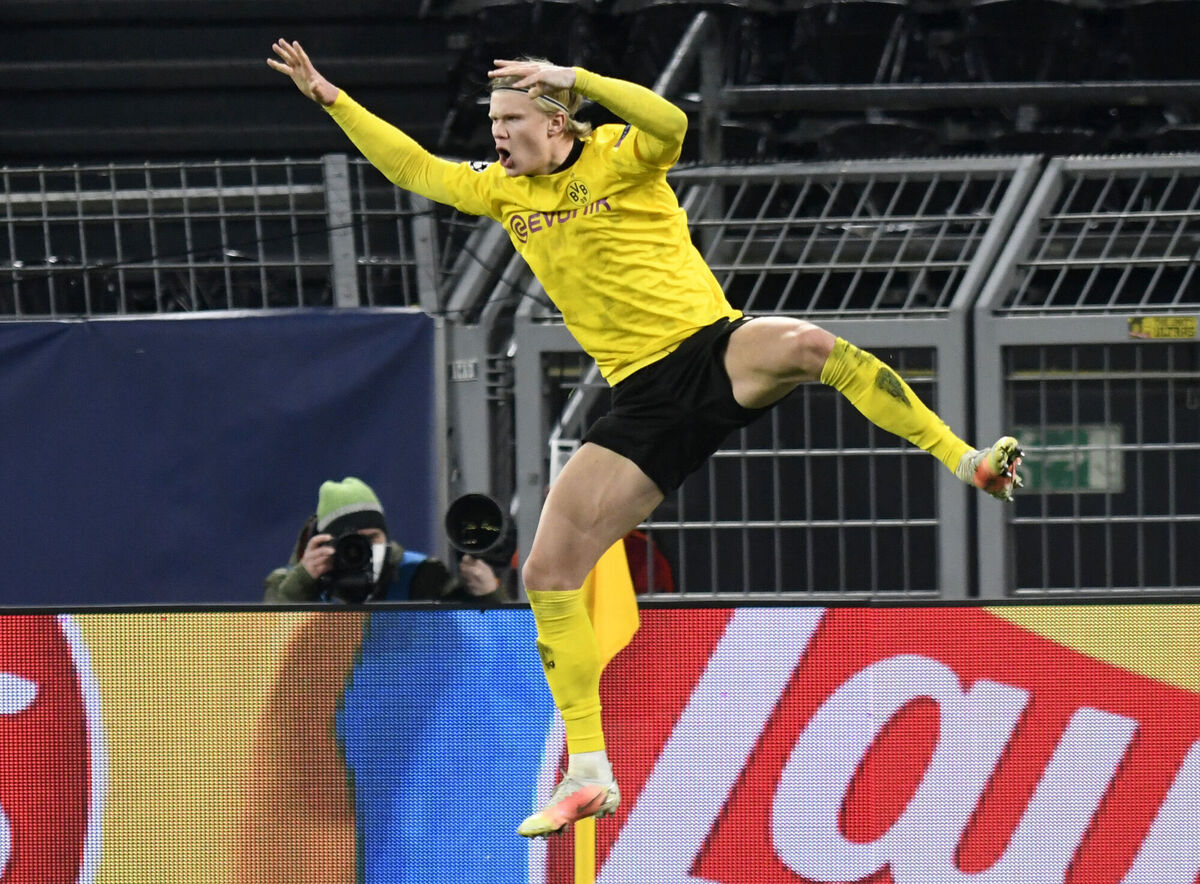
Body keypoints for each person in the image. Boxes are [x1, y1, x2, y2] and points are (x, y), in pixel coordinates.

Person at [268, 41, 1024, 838]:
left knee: (807, 345)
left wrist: (577, 78)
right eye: (492, 121)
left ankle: (966, 460)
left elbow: (671, 122)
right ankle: (589, 771)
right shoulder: (503, 191)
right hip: (642, 402)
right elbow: (414, 168)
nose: (497, 134)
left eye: (511, 119)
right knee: (549, 573)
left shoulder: (620, 156)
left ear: (556, 123)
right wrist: (332, 98)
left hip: (714, 351)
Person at [264, 476, 505, 604]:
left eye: (373, 537)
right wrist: (303, 582)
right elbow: (265, 649)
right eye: (351, 542)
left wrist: (488, 595)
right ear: (326, 543)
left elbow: (481, 646)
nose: (364, 549)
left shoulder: (422, 576)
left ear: (385, 536)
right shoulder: (289, 583)